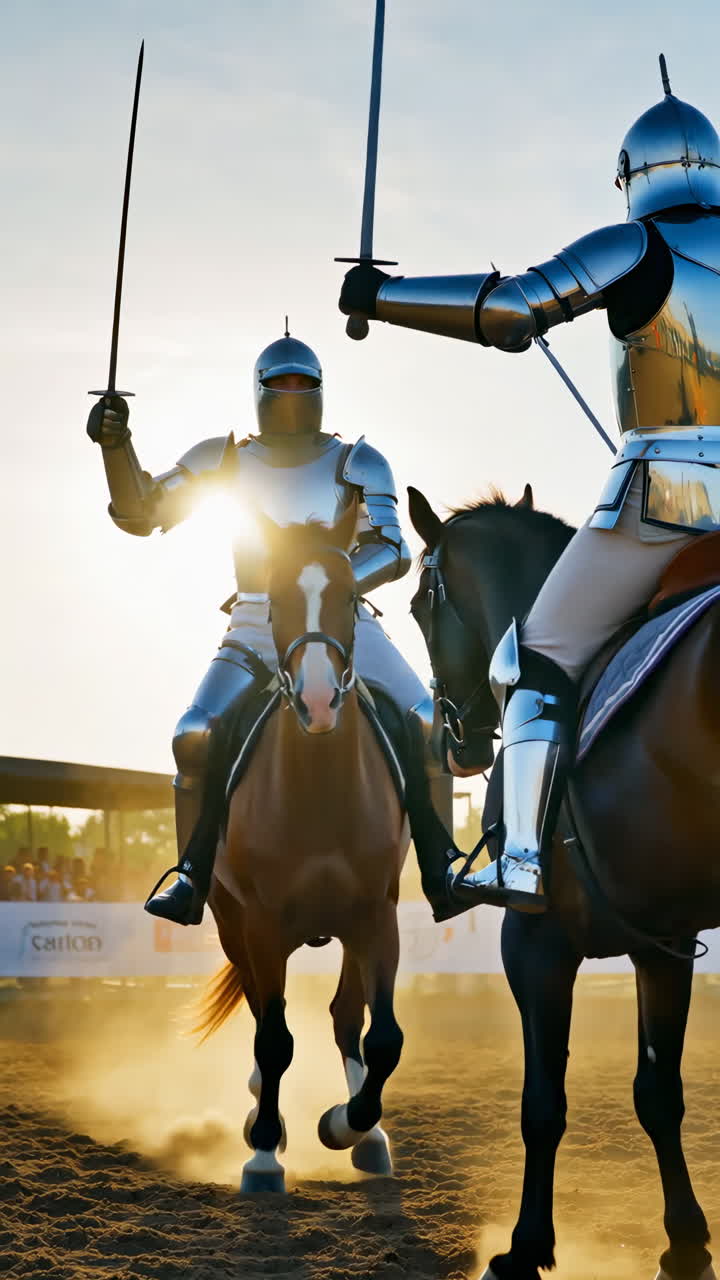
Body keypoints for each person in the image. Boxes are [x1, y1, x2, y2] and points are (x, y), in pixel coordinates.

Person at [339, 62, 720, 912]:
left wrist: (386, 295)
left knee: (532, 657)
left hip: (663, 503)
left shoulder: (636, 245)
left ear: (631, 179)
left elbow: (513, 312)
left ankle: (516, 860)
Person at [87, 331, 454, 924]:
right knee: (195, 734)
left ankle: (443, 865)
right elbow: (141, 511)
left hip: (343, 619)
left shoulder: (357, 460)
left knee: (425, 720)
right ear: (259, 392)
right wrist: (115, 444)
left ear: (319, 391)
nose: (290, 393)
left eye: (300, 383)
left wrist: (328, 583)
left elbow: (392, 547)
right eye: (279, 384)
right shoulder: (225, 459)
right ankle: (192, 874)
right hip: (256, 620)